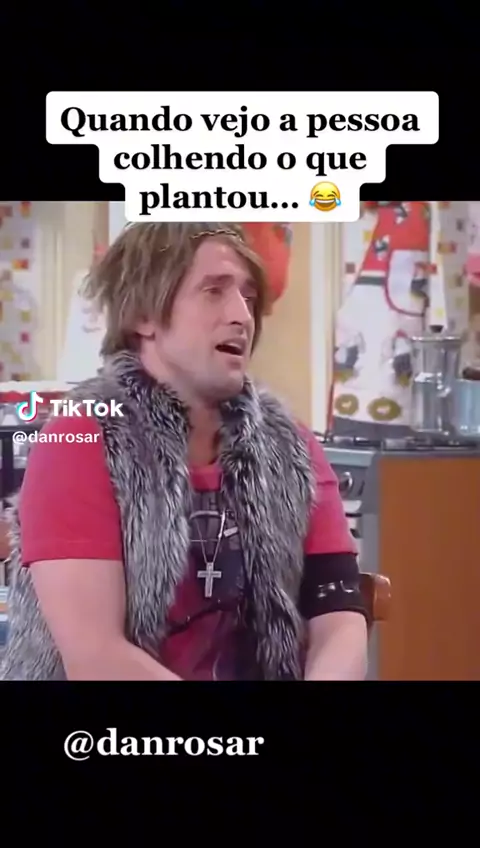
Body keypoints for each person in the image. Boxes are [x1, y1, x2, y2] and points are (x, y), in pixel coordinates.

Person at [1, 222, 368, 681]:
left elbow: (340, 615)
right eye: (214, 291)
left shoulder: (289, 445)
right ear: (144, 316)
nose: (242, 316)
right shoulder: (78, 437)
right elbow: (97, 658)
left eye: (248, 296)